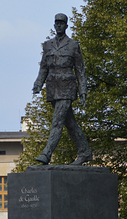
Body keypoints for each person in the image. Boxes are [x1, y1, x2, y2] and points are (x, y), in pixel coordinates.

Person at [32, 13, 93, 165]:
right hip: (53, 88)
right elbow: (44, 67)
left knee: (57, 121)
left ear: (66, 26)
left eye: (61, 23)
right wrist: (38, 83)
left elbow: (80, 69)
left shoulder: (73, 45)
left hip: (67, 87)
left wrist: (83, 90)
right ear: (54, 25)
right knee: (69, 123)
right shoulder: (47, 45)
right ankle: (85, 151)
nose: (59, 25)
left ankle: (46, 154)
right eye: (56, 23)